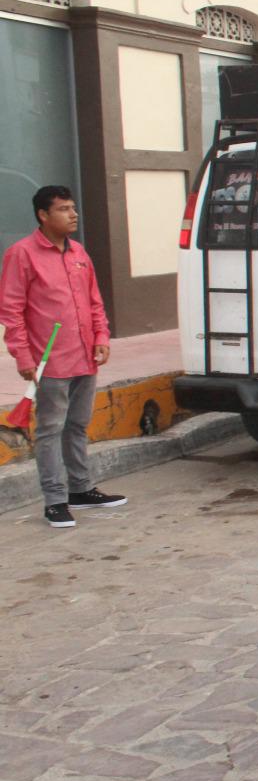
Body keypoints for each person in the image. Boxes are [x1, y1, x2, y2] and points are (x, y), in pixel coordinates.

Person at [1, 186, 123, 530]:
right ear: (43, 215)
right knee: (51, 430)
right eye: (64, 209)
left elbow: (94, 300)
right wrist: (22, 356)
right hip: (49, 361)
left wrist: (101, 337)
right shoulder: (21, 254)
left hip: (85, 357)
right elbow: (11, 310)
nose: (74, 215)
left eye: (74, 208)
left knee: (78, 426)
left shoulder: (79, 252)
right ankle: (55, 500)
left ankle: (81, 490)